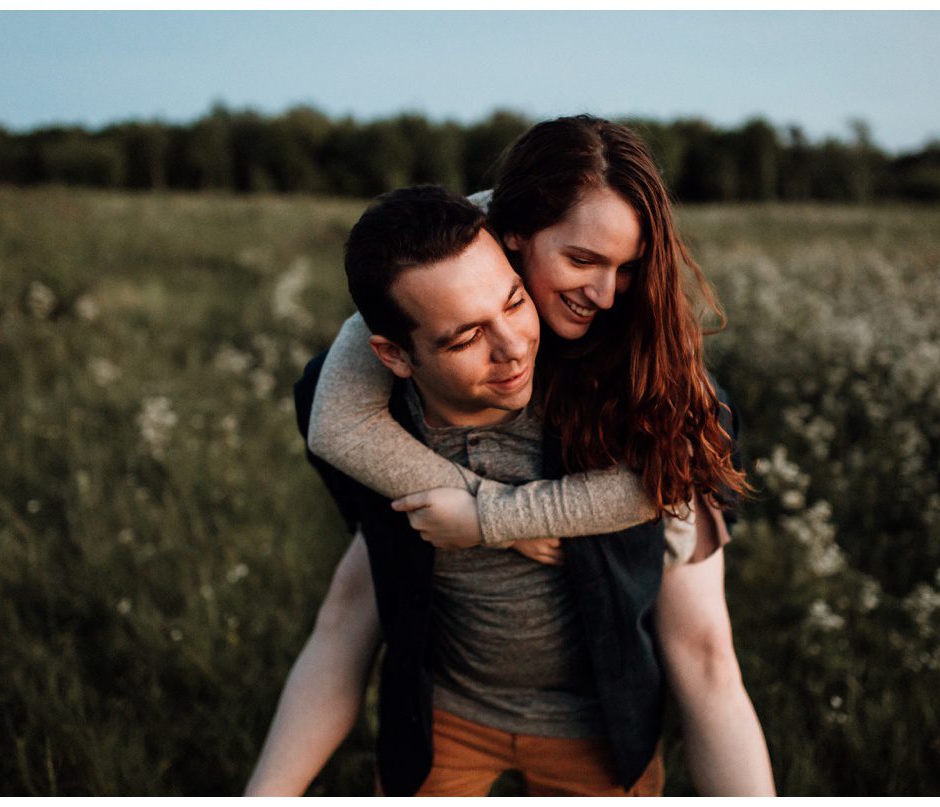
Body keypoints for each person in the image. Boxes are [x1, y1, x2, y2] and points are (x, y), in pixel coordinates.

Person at [245, 116, 775, 796]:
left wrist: (498, 517)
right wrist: (484, 507)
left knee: (705, 651)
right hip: (455, 707)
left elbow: (657, 485)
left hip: (604, 677)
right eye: (581, 261)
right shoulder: (448, 277)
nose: (607, 292)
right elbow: (336, 416)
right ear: (510, 231)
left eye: (628, 264)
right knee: (356, 592)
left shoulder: (635, 340)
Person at [276, 185, 667, 796]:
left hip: (597, 720)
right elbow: (336, 429)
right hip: (448, 716)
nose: (512, 349)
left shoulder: (592, 385)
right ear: (393, 356)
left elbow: (674, 465)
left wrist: (497, 517)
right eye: (463, 340)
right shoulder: (377, 428)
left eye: (514, 303)